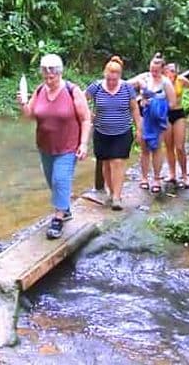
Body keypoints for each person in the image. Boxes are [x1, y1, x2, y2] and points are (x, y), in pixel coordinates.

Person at [18, 54, 91, 239]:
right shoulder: (40, 90)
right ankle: (65, 209)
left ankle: (57, 219)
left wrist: (83, 143)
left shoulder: (72, 91)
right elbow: (30, 115)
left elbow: (85, 118)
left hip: (68, 146)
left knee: (60, 180)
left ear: (59, 74)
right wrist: (23, 104)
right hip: (45, 146)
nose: (49, 80)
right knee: (52, 181)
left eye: (52, 77)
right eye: (46, 77)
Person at [85, 56, 141, 211]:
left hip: (122, 131)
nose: (111, 81)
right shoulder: (96, 87)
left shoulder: (127, 88)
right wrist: (88, 113)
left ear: (120, 76)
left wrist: (139, 129)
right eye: (109, 78)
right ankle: (111, 192)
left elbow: (135, 108)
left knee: (117, 162)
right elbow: (81, 100)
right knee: (106, 164)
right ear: (105, 74)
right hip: (102, 131)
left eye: (114, 78)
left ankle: (117, 196)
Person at [129, 53, 177, 193]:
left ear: (162, 69)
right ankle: (144, 178)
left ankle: (156, 178)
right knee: (144, 148)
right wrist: (141, 98)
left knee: (156, 148)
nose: (153, 72)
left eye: (156, 70)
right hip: (145, 116)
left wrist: (159, 105)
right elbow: (128, 84)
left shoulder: (166, 82)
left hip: (159, 119)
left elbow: (172, 103)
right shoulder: (145, 78)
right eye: (151, 69)